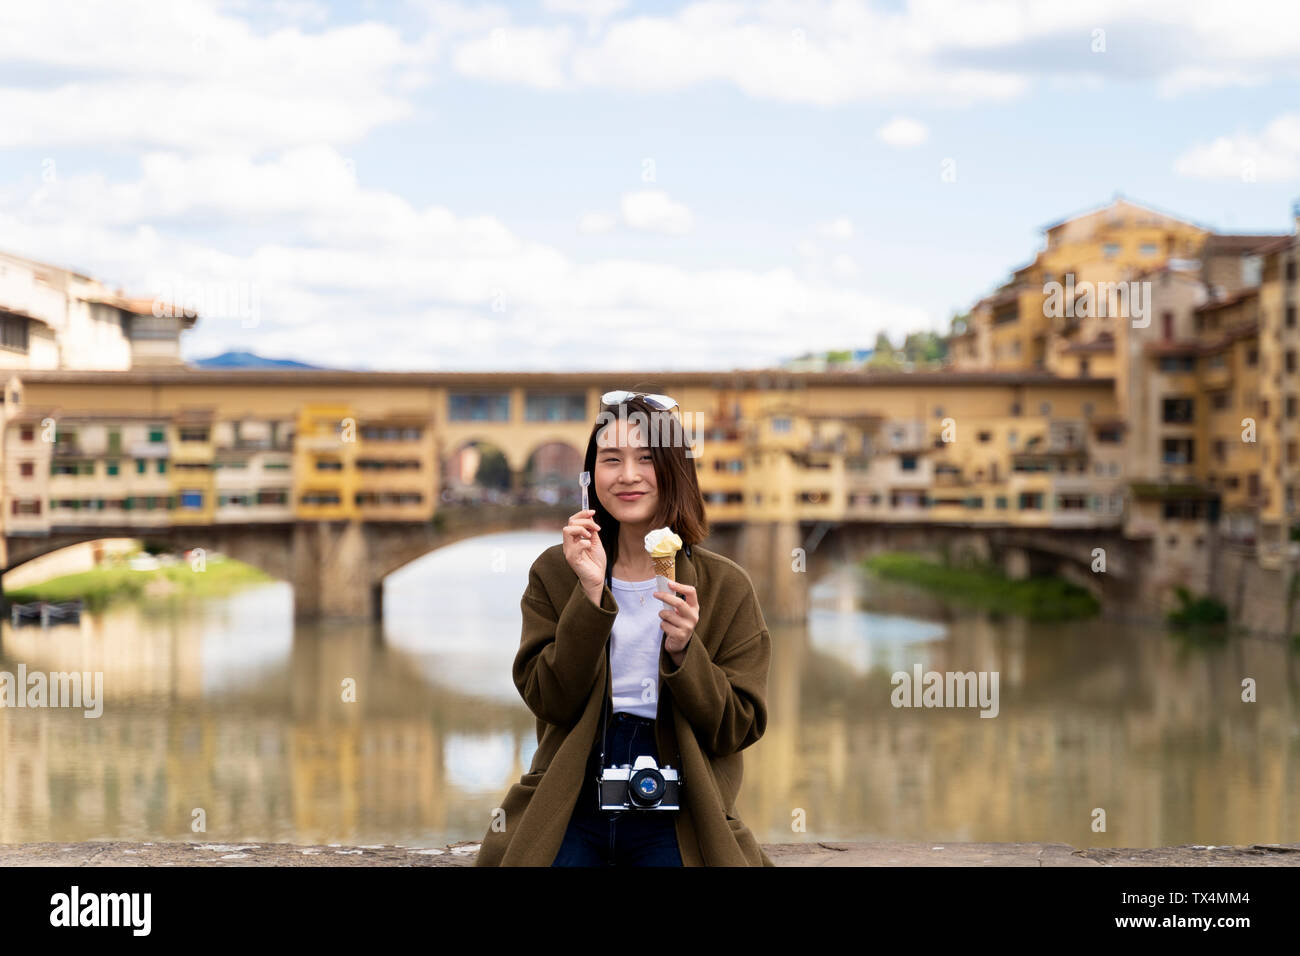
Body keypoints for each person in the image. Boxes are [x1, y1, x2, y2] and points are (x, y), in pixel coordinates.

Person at [474, 391, 774, 866]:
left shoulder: (726, 587)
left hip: (681, 803)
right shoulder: (557, 571)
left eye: (647, 460)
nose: (628, 476)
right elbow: (549, 700)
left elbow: (736, 729)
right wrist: (590, 595)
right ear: (592, 476)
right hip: (572, 792)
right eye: (611, 459)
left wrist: (684, 652)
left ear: (675, 470)